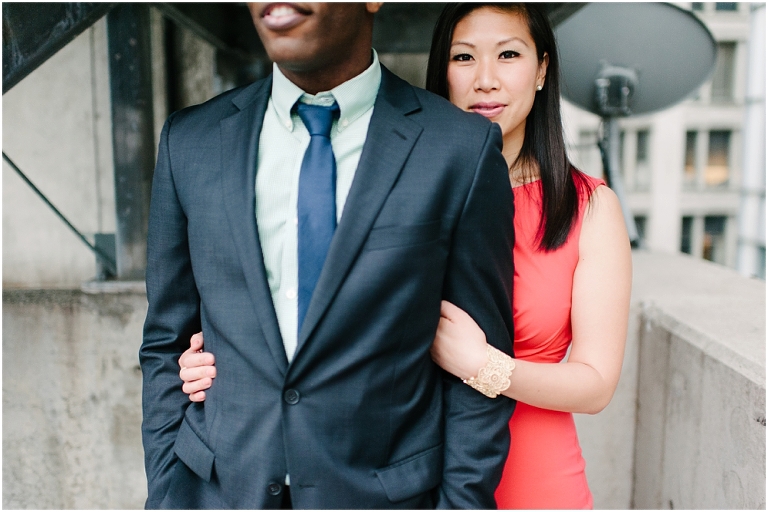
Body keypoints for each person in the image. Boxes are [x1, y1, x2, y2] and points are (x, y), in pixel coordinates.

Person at [180, 3, 632, 509]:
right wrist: (229, 357)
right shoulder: (391, 179)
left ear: (542, 67)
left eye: (508, 55)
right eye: (464, 58)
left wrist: (484, 365)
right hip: (397, 477)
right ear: (442, 69)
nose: (486, 80)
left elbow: (595, 384)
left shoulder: (589, 207)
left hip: (532, 476)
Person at [141, 2, 516, 509]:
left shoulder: (459, 149)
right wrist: (167, 494)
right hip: (220, 493)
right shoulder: (191, 141)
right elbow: (166, 340)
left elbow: (481, 373)